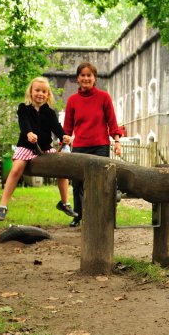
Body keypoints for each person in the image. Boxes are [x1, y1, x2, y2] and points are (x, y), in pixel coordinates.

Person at [0, 77, 77, 221]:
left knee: (63, 168)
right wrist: (28, 133)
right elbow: (24, 123)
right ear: (31, 92)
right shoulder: (23, 108)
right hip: (26, 146)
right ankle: (2, 205)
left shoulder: (50, 113)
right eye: (37, 90)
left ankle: (65, 203)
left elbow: (56, 128)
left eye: (44, 91)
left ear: (48, 94)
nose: (40, 94)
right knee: (16, 169)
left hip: (45, 148)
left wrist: (64, 136)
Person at [63, 62, 123, 227]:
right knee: (78, 184)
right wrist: (64, 140)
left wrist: (117, 142)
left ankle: (102, 217)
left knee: (101, 183)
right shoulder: (72, 101)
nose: (86, 78)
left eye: (89, 75)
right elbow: (66, 128)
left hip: (100, 147)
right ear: (78, 78)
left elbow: (112, 122)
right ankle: (79, 216)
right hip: (80, 147)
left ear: (94, 78)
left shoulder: (104, 97)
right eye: (83, 75)